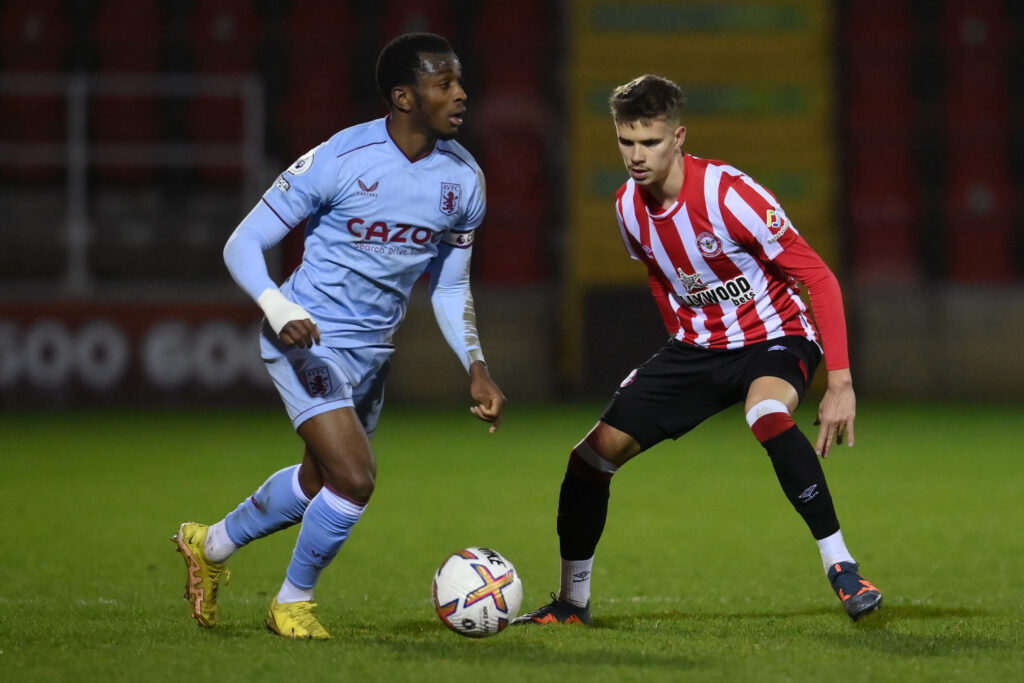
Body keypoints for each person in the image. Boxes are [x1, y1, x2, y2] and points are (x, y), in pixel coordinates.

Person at [514, 74, 881, 626]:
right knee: (588, 459)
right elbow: (659, 274)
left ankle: (843, 569)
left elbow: (820, 278)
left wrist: (841, 383)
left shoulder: (730, 196)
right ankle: (572, 602)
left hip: (775, 337)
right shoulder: (627, 208)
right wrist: (678, 345)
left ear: (679, 137)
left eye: (650, 142)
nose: (636, 156)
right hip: (697, 349)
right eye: (626, 141)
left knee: (766, 413)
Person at [173, 32, 506, 640]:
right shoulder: (340, 158)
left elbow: (450, 285)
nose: (461, 94)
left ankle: (210, 545)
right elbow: (243, 242)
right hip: (306, 338)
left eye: (460, 81)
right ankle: (292, 604)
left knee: (319, 481)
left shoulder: (464, 181)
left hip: (373, 354)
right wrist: (277, 308)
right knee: (354, 477)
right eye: (444, 84)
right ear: (404, 97)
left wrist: (476, 365)